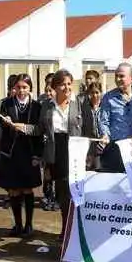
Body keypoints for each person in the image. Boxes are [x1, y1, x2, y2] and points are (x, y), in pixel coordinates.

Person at [0, 73, 44, 237]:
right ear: (13, 88)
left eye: (25, 87)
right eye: (18, 87)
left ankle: (29, 225)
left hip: (29, 151)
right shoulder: (5, 104)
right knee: (14, 191)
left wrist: (38, 154)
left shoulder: (37, 106)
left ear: (30, 88)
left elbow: (40, 131)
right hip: (11, 152)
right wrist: (5, 121)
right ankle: (17, 224)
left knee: (28, 189)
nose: (21, 90)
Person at [39, 69, 84, 237]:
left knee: (74, 191)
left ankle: (73, 230)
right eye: (62, 84)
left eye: (69, 84)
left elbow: (87, 127)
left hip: (74, 150)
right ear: (55, 87)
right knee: (62, 193)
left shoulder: (79, 103)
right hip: (56, 151)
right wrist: (22, 127)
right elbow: (39, 129)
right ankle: (66, 229)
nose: (67, 87)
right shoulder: (47, 105)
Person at [97, 62, 132, 172]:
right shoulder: (108, 97)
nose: (118, 79)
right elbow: (103, 121)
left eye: (121, 76)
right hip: (115, 147)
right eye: (116, 76)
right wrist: (105, 135)